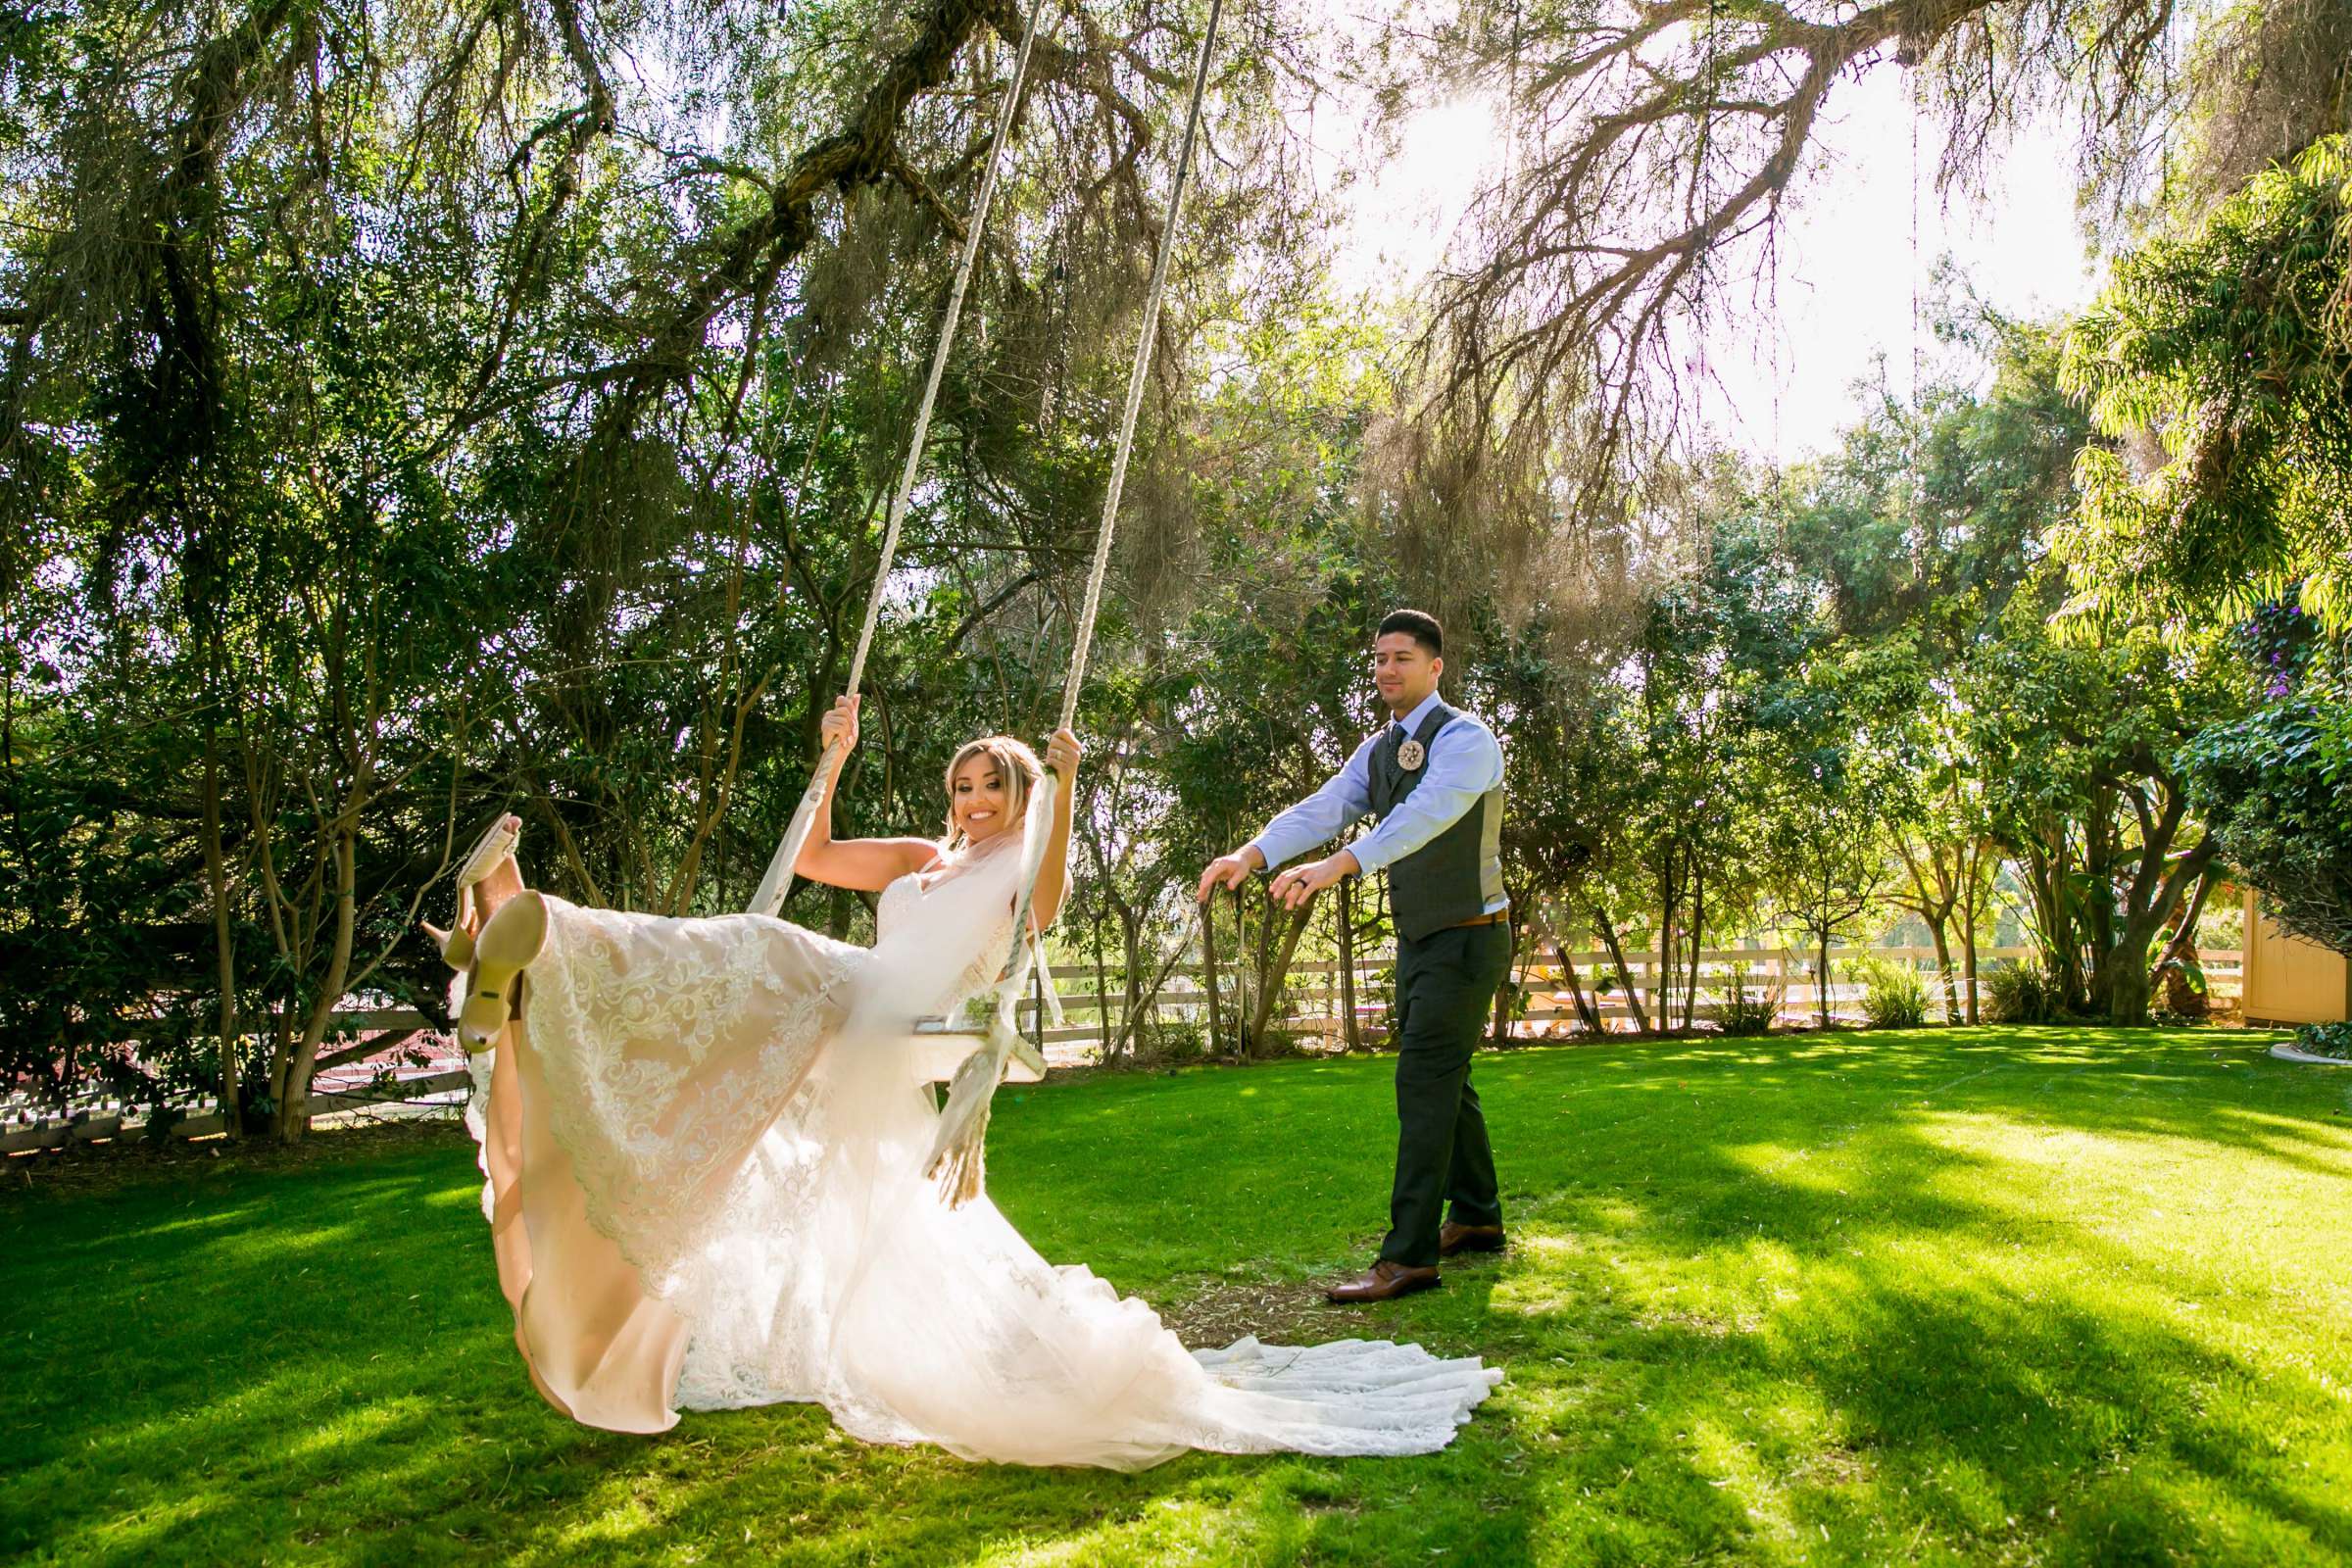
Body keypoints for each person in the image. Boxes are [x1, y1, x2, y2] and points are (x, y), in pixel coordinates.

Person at [430, 695, 1499, 1466]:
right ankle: (519, 966)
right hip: (859, 1007)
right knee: (731, 980)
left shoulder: (1013, 872)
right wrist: (833, 756)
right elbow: (810, 855)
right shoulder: (916, 856)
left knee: (761, 948)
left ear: (1017, 794)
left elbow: (1047, 894)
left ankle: (548, 940)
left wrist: (1067, 785)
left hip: (910, 1021)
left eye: (994, 784)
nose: (975, 799)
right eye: (963, 785)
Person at [1199, 609, 1511, 1304]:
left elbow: (1423, 814)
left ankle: (1409, 1258)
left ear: (1435, 667)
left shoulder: (1467, 742)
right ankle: (1479, 1218)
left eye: (1401, 658)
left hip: (1470, 935)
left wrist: (1341, 865)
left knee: (1424, 1082)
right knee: (1446, 1081)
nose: (1386, 671)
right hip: (1426, 938)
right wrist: (1250, 854)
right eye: (1378, 659)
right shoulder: (1378, 750)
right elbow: (1327, 805)